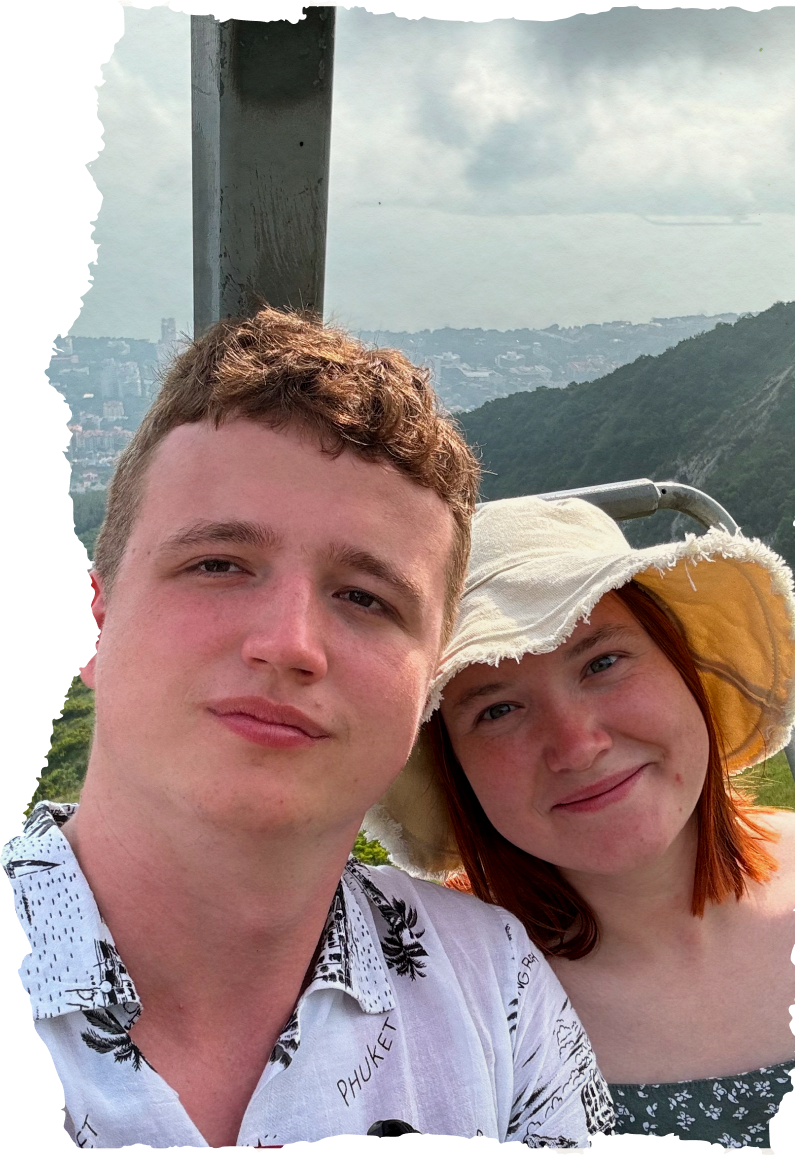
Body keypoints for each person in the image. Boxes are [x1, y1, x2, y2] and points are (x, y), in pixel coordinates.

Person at [3, 316, 613, 1149]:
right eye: (218, 563)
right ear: (94, 627)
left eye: (366, 598)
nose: (289, 643)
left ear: (426, 681)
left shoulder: (495, 989)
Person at [365, 494, 795, 1149]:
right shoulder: (443, 1003)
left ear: (683, 666)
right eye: (497, 710)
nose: (578, 745)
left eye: (602, 663)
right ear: (455, 772)